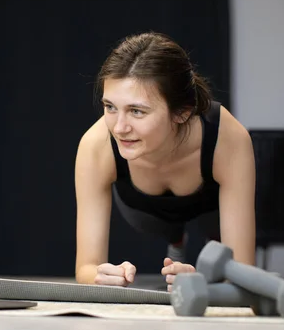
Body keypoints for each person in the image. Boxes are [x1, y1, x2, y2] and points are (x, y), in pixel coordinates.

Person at [74, 32, 256, 291]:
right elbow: (85, 268)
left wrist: (204, 280)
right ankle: (176, 240)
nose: (119, 128)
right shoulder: (96, 145)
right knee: (162, 226)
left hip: (209, 207)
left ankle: (194, 250)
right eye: (111, 107)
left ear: (182, 112)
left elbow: (243, 275)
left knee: (215, 235)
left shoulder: (228, 138)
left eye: (137, 111)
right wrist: (102, 276)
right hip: (145, 211)